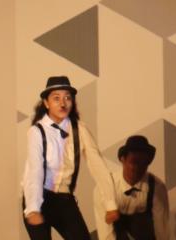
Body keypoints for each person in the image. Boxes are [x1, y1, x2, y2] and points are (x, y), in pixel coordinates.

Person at [21, 76, 117, 240]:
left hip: (64, 199)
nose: (63, 103)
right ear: (46, 103)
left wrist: (110, 203)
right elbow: (34, 170)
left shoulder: (80, 129)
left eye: (67, 98)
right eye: (56, 98)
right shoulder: (36, 131)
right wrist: (33, 208)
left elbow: (97, 165)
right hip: (38, 197)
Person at [98, 135, 170, 240]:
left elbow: (161, 231)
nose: (139, 168)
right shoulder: (105, 187)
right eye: (134, 162)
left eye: (144, 163)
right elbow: (106, 234)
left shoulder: (157, 188)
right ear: (123, 159)